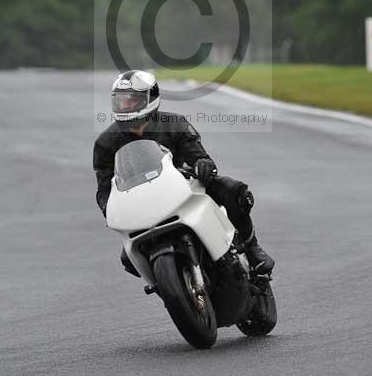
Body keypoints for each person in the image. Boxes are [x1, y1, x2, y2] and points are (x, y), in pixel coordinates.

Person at [93, 70, 275, 276]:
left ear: (150, 99)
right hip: (141, 204)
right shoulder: (105, 143)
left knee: (235, 191)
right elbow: (104, 188)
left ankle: (252, 249)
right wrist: (109, 208)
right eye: (121, 102)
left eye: (131, 101)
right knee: (128, 259)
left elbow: (198, 156)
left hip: (183, 188)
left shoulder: (175, 124)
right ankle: (166, 285)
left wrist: (203, 164)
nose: (125, 106)